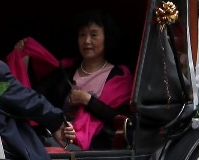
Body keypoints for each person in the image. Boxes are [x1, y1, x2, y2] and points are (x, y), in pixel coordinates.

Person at [15, 10, 134, 150]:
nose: (87, 41)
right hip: (56, 136)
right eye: (82, 34)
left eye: (93, 35)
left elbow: (122, 120)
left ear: (107, 38)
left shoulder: (118, 75)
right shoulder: (66, 69)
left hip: (94, 148)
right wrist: (23, 63)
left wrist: (88, 100)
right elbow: (34, 97)